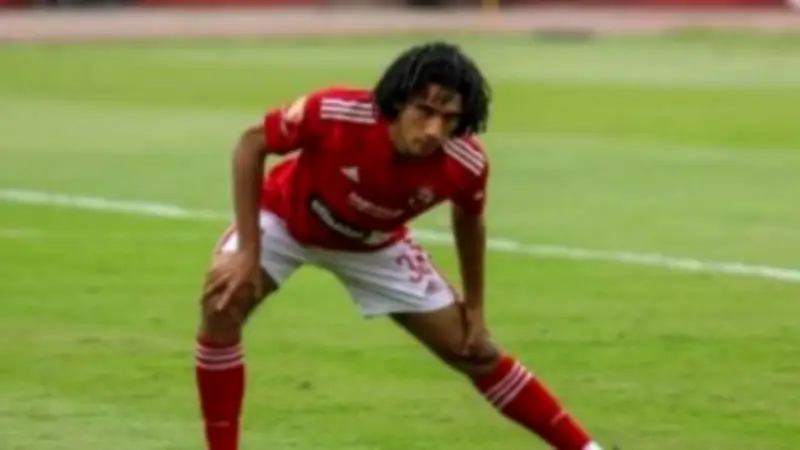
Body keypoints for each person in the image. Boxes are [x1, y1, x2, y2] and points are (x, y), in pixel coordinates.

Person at [195, 41, 605, 450]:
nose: (434, 131)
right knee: (221, 304)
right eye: (424, 111)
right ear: (398, 102)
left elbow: (469, 222)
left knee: (474, 351)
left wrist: (476, 310)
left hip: (373, 245)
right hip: (285, 219)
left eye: (449, 119)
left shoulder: (465, 163)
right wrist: (248, 251)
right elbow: (251, 144)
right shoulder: (335, 112)